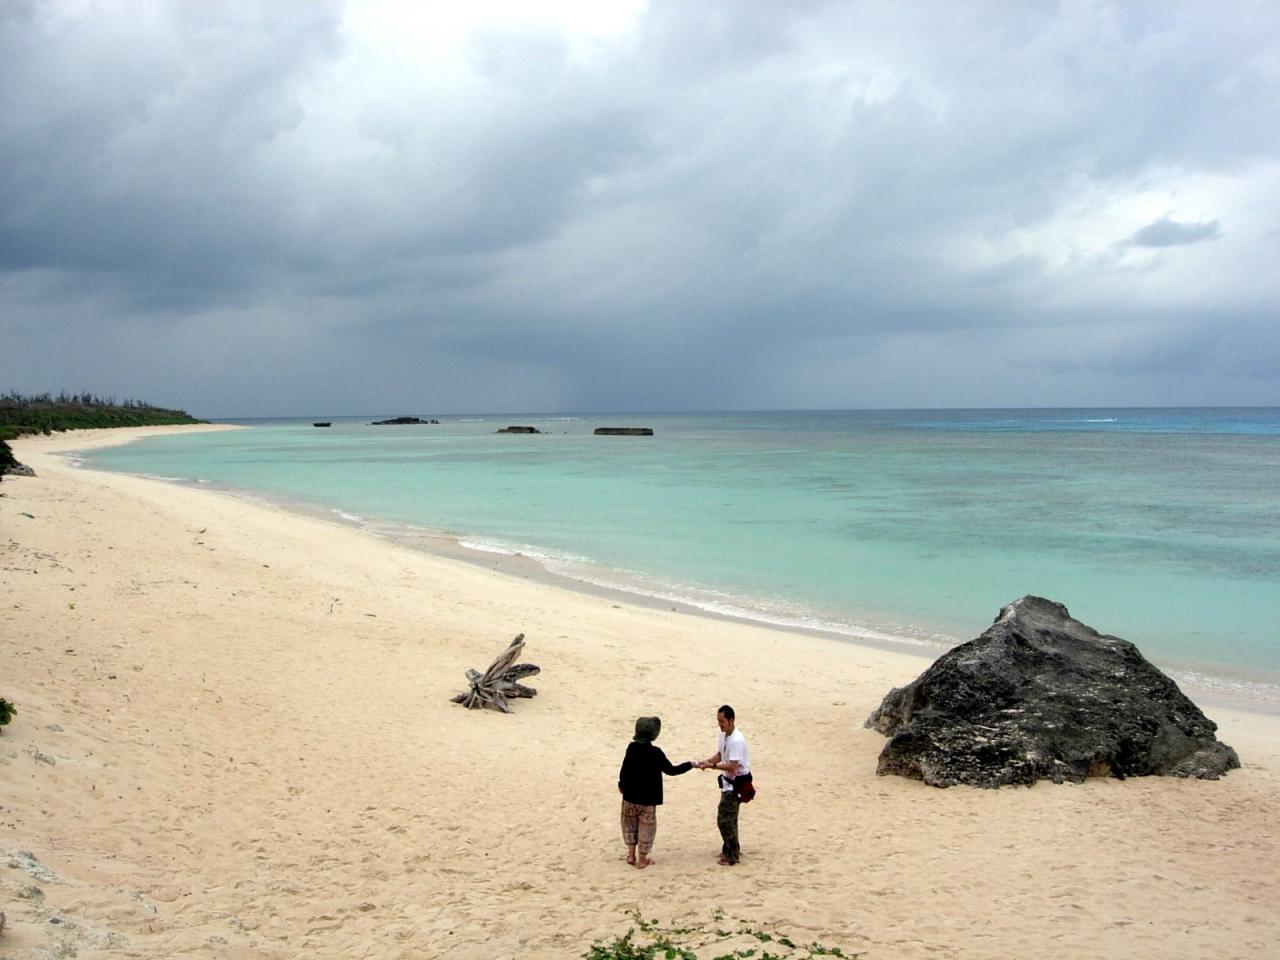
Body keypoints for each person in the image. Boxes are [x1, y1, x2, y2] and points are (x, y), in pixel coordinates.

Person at [617, 716, 694, 869]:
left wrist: (621, 785)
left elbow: (624, 770)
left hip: (630, 796)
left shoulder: (631, 748)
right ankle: (642, 859)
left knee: (629, 824)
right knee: (646, 827)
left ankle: (631, 855)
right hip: (647, 800)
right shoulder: (656, 753)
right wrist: (690, 764)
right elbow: (671, 770)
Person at [695, 704, 751, 866]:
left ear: (731, 720)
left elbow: (732, 765)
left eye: (722, 721)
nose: (720, 724)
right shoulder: (723, 735)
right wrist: (707, 761)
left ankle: (732, 855)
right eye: (718, 721)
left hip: (736, 785)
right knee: (730, 819)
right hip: (728, 783)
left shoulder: (737, 740)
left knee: (724, 820)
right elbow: (721, 754)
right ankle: (730, 849)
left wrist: (712, 766)